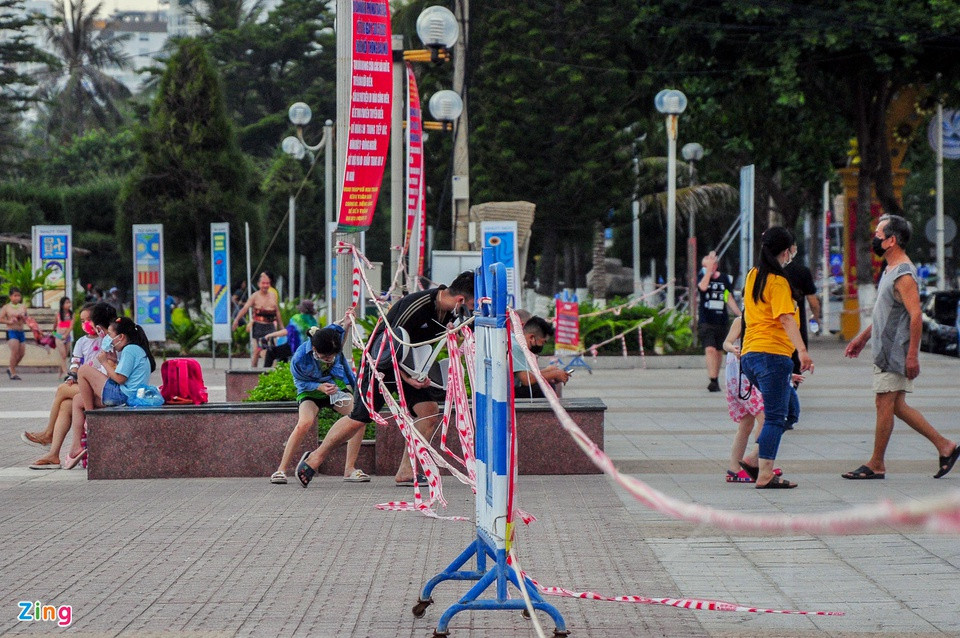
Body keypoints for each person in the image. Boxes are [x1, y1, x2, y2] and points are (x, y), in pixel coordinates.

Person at [295, 271, 475, 488]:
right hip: (381, 362)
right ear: (461, 300)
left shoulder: (451, 312)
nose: (473, 311)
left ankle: (406, 472)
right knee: (360, 417)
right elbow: (389, 345)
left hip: (411, 366)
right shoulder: (417, 305)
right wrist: (407, 379)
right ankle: (314, 458)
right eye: (473, 306)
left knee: (428, 414)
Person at [842, 214, 959, 480]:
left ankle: (876, 464)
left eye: (879, 235)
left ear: (891, 241)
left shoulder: (904, 273)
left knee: (884, 403)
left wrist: (912, 356)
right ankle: (945, 446)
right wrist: (862, 338)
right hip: (886, 349)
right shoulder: (890, 270)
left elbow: (915, 315)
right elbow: (886, 315)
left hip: (894, 352)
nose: (875, 239)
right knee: (896, 406)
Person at [739, 227, 813, 489]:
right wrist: (802, 352)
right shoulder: (778, 282)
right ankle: (766, 473)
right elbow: (785, 318)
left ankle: (752, 460)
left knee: (790, 412)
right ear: (786, 251)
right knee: (774, 417)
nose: (794, 252)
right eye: (792, 248)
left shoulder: (753, 275)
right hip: (771, 355)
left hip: (752, 356)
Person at [271, 323, 368, 484]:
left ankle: (349, 469)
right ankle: (281, 470)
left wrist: (347, 323)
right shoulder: (300, 357)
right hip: (310, 391)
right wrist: (318, 387)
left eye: (332, 357)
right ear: (315, 349)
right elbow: (299, 382)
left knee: (359, 417)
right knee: (304, 423)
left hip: (334, 389)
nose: (329, 360)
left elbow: (339, 328)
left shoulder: (332, 340)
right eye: (325, 357)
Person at [24, 303, 115, 469]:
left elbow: (103, 368)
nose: (87, 324)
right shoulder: (82, 341)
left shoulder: (108, 341)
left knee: (61, 390)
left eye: (90, 320)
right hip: (89, 385)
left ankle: (48, 433)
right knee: (66, 405)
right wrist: (73, 375)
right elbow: (76, 362)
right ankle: (53, 454)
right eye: (83, 321)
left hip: (100, 388)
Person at [63, 316, 156, 469]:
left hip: (123, 396)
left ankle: (90, 417)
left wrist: (104, 362)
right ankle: (75, 447)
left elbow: (120, 379)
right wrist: (115, 361)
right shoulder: (135, 349)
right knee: (78, 400)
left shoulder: (130, 349)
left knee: (84, 370)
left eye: (111, 336)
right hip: (126, 395)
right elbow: (127, 375)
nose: (108, 340)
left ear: (121, 337)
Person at [698, 251, 742, 392]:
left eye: (712, 262)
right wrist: (708, 272)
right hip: (706, 320)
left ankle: (715, 377)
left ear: (716, 264)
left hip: (721, 320)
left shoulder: (724, 279)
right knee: (710, 349)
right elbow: (703, 287)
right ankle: (712, 379)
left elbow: (727, 298)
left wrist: (740, 314)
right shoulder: (703, 276)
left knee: (718, 351)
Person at [783, 243, 822, 378]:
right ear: (792, 249)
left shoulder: (758, 273)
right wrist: (815, 318)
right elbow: (813, 302)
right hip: (796, 330)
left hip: (768, 334)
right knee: (794, 372)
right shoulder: (802, 272)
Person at [512, 316, 570, 399]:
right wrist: (554, 374)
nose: (542, 346)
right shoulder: (517, 347)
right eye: (543, 342)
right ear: (532, 337)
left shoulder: (516, 340)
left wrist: (549, 371)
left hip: (509, 388)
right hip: (507, 393)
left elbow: (527, 374)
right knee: (543, 389)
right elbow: (527, 380)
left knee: (546, 383)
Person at [232, 272, 281, 368]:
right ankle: (253, 371)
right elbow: (245, 308)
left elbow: (277, 312)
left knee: (272, 350)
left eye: (267, 283)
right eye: (263, 283)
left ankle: (272, 371)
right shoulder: (255, 296)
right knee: (257, 351)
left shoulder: (273, 295)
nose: (265, 286)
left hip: (270, 326)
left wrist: (282, 326)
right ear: (259, 284)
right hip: (258, 326)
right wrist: (236, 320)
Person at [262, 299, 319, 367]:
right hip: (307, 348)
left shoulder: (297, 319)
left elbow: (286, 332)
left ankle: (265, 374)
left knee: (271, 353)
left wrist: (269, 335)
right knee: (283, 354)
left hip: (295, 346)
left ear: (301, 309)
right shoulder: (313, 321)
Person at [1, 287, 28, 380]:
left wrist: (23, 317)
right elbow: (1, 319)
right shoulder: (6, 307)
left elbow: (26, 318)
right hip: (11, 331)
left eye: (18, 296)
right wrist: (9, 321)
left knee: (22, 353)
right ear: (10, 296)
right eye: (15, 296)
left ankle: (11, 368)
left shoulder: (23, 307)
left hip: (21, 331)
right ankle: (13, 372)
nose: (17, 298)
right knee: (14, 351)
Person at [54, 297, 74, 376]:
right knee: (63, 355)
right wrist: (54, 334)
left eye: (69, 302)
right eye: (66, 303)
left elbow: (71, 326)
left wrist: (66, 335)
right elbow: (55, 325)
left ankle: (61, 371)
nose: (68, 304)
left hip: (67, 336)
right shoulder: (58, 314)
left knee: (65, 355)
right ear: (62, 305)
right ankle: (66, 372)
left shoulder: (71, 314)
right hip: (59, 336)